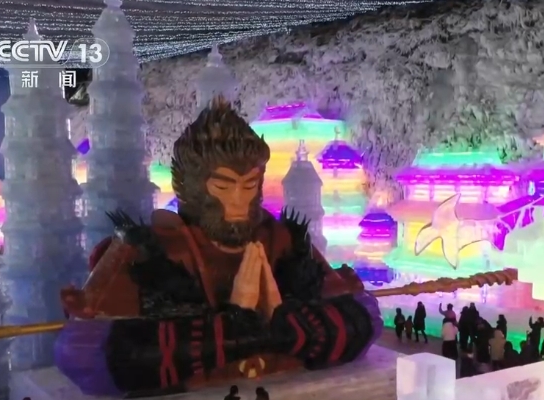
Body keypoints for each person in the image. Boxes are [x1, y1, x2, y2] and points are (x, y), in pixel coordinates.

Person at [56, 97, 379, 397]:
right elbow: (84, 354)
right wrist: (237, 325)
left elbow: (364, 319)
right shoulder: (147, 249)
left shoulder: (282, 240)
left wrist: (275, 323)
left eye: (249, 185)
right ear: (194, 186)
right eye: (223, 187)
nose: (239, 200)